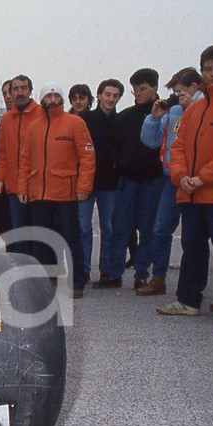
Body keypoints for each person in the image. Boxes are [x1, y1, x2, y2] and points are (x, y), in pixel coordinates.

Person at [157, 45, 213, 327]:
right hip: (189, 194)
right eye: (208, 68)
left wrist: (203, 177)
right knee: (192, 249)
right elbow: (177, 146)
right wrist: (180, 176)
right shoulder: (192, 110)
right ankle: (188, 300)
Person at [17, 84, 95, 298]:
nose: (52, 99)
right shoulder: (33, 127)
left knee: (71, 237)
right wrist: (23, 187)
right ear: (41, 99)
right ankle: (46, 280)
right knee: (42, 240)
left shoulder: (75, 123)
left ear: (62, 99)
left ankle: (75, 280)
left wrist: (84, 186)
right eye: (48, 96)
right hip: (38, 193)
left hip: (66, 193)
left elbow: (87, 157)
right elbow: (25, 160)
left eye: (56, 95)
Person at [136, 67, 203, 296]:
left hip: (198, 180)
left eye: (180, 92)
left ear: (195, 88)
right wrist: (154, 119)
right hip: (171, 179)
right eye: (174, 93)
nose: (177, 97)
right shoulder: (173, 111)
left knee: (196, 236)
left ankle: (196, 288)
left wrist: (192, 108)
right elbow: (151, 142)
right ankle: (158, 278)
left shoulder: (206, 107)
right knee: (160, 229)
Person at [106, 68, 163, 290]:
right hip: (128, 180)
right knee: (120, 227)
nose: (139, 94)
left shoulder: (166, 114)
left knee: (148, 228)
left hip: (154, 180)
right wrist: (119, 163)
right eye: (136, 90)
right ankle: (113, 273)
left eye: (144, 89)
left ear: (155, 88)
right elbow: (111, 146)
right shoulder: (124, 118)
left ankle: (141, 273)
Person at [81, 79, 125, 288]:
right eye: (107, 94)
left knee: (109, 227)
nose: (110, 99)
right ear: (98, 96)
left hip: (110, 181)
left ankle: (107, 271)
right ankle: (83, 270)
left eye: (115, 96)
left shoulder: (120, 120)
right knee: (83, 226)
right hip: (86, 180)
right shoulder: (85, 119)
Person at [0, 74, 43, 255]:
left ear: (30, 91)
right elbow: (3, 153)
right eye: (15, 89)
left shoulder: (41, 114)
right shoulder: (6, 119)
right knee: (19, 231)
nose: (19, 92)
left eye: (23, 88)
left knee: (39, 231)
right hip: (14, 186)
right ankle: (23, 271)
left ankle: (42, 271)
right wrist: (0, 179)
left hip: (37, 185)